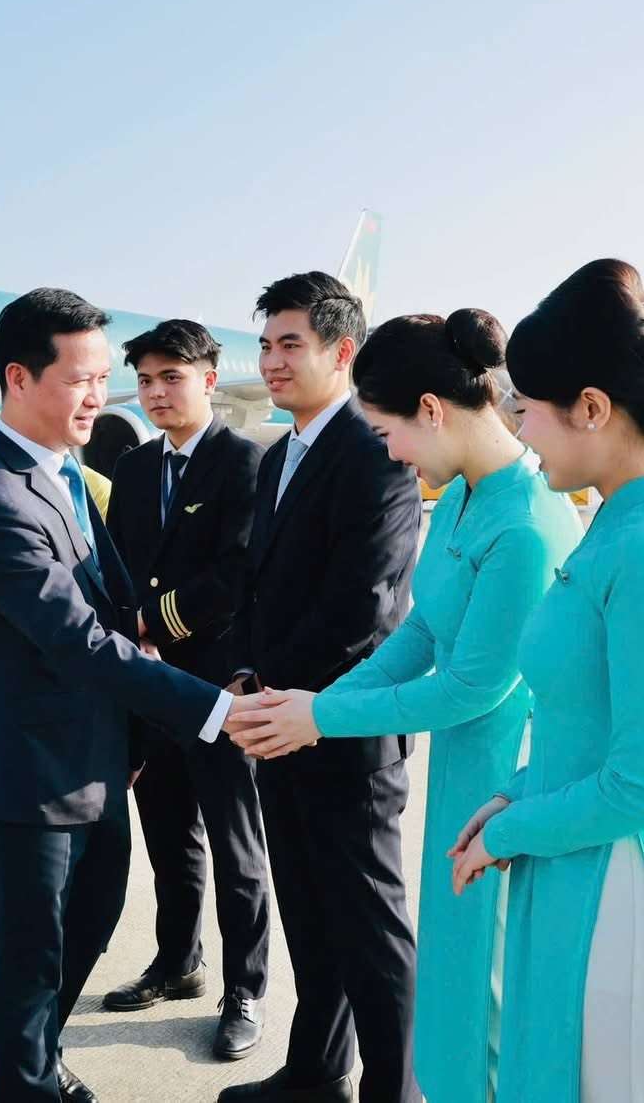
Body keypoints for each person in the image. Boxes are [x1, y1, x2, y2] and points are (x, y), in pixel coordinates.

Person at [229, 310, 583, 1103]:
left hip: (508, 784)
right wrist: (315, 705)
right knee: (454, 979)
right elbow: (423, 629)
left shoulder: (526, 523)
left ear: (431, 409)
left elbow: (471, 686)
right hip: (461, 772)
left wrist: (319, 718)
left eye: (388, 431)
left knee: (491, 988)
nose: (389, 452)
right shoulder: (461, 498)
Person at [0, 288, 267, 1102]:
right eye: (79, 379)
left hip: (97, 761)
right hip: (31, 777)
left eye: (101, 379)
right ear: (19, 378)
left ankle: (42, 1058)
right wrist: (215, 709)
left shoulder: (63, 474)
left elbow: (121, 606)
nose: (100, 396)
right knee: (31, 961)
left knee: (85, 929)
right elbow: (82, 640)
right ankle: (26, 1083)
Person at [449, 260, 644, 1102]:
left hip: (628, 906)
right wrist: (512, 797)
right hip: (577, 870)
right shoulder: (618, 522)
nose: (520, 431)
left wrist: (508, 832)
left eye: (528, 410)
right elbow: (585, 723)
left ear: (591, 407)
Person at [220, 272, 423, 1103]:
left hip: (345, 727)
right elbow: (258, 586)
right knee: (308, 913)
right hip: (280, 722)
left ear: (342, 352)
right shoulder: (280, 455)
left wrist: (281, 691)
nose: (271, 360)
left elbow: (362, 607)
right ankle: (316, 1071)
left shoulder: (377, 452)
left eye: (290, 344)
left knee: (371, 929)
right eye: (265, 344)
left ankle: (394, 1090)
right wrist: (247, 674)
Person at [101, 319, 271, 1061]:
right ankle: (178, 961)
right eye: (145, 380)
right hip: (150, 684)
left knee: (236, 847)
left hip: (218, 687)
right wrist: (126, 636)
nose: (156, 392)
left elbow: (237, 574)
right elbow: (118, 564)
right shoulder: (136, 467)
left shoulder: (245, 462)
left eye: (172, 377)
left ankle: (247, 988)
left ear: (209, 378)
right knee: (168, 836)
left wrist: (148, 623)